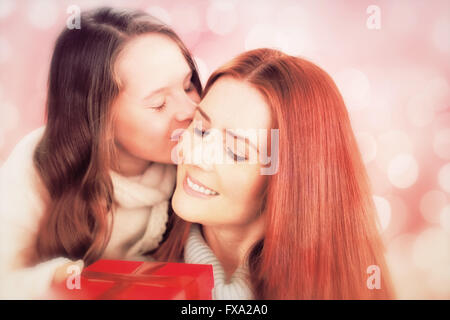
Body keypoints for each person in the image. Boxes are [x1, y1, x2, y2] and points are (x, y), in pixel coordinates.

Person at [156, 48, 395, 299]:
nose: (194, 154)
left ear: (292, 182)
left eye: (235, 151)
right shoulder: (127, 256)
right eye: (201, 129)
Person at [0, 7, 201, 299]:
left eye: (189, 85)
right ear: (98, 117)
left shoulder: (203, 151)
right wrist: (65, 281)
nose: (190, 111)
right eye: (158, 104)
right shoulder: (38, 162)